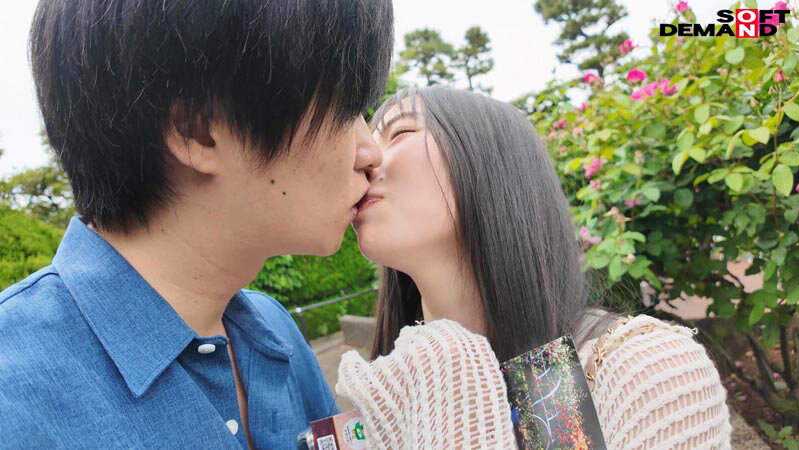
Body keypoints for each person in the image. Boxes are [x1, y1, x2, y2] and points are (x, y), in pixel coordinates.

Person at [0, 0, 393, 447]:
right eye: (345, 111)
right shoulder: (13, 397)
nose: (371, 151)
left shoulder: (273, 329)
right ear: (197, 132)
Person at [336, 87, 733, 449]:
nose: (364, 160)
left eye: (400, 132)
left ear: (493, 165)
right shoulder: (391, 391)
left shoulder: (644, 368)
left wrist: (451, 363)